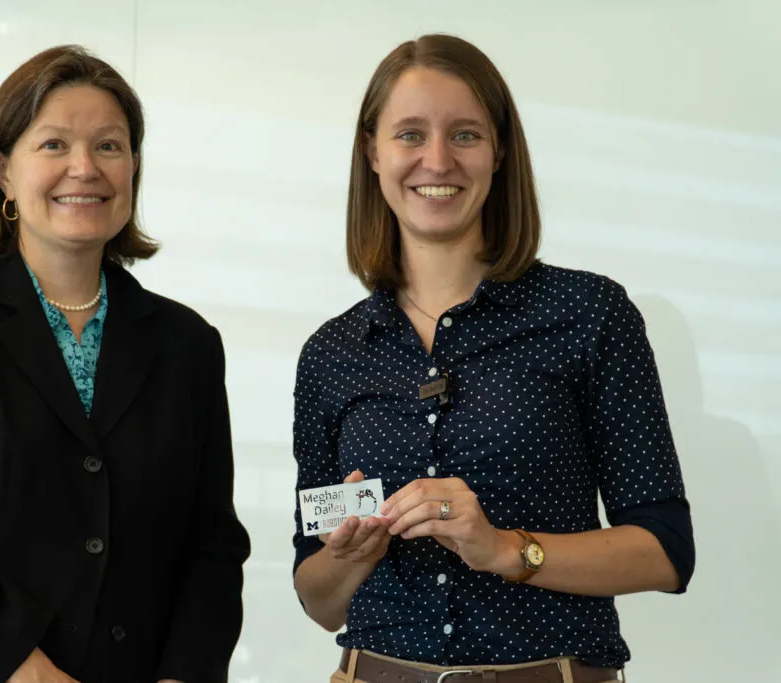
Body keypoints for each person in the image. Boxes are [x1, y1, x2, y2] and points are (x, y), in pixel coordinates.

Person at [0, 45, 250, 683]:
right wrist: (21, 667)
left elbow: (211, 547)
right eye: (53, 144)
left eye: (109, 146)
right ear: (4, 170)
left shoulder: (186, 343)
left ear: (133, 168)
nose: (84, 168)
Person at [291, 34, 694, 683]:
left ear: (499, 151)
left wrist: (507, 549)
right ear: (372, 151)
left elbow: (666, 551)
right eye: (410, 134)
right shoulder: (330, 354)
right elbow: (317, 599)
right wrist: (351, 557)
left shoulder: (589, 314)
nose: (437, 159)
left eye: (465, 135)